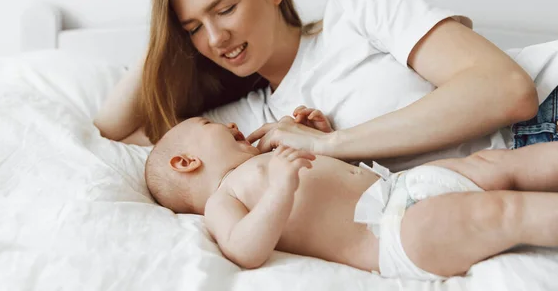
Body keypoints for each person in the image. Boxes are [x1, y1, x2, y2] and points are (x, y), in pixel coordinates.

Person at [94, 0, 558, 170]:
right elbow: (117, 133)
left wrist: (334, 144)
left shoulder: (353, 11)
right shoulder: (250, 124)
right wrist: (165, 35)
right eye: (193, 28)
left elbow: (506, 90)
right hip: (523, 174)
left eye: (224, 9)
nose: (215, 39)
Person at [145, 115, 558, 280]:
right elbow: (244, 249)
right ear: (186, 162)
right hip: (395, 234)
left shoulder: (268, 155)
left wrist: (320, 131)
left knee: (497, 163)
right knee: (499, 210)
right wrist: (280, 189)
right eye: (210, 123)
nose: (231, 122)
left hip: (403, 185)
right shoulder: (223, 197)